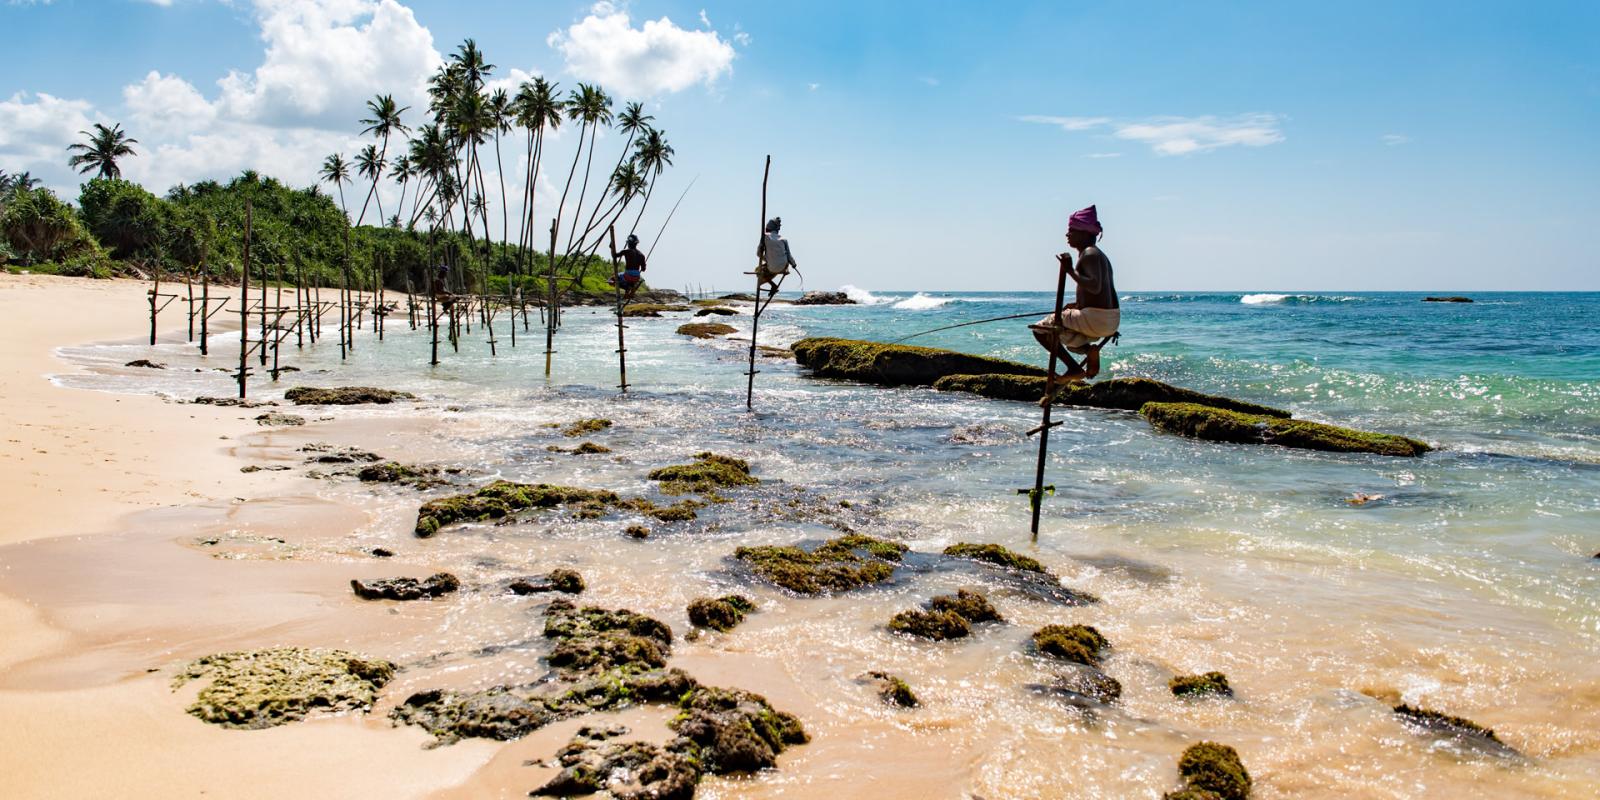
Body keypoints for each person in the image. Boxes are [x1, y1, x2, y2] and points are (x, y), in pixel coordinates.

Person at [1030, 204, 1119, 387]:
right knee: (1068, 339)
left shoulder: (1089, 253)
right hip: (1109, 320)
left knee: (1041, 330)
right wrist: (1077, 305)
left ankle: (1073, 368)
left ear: (1084, 233)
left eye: (1071, 230)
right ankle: (1089, 350)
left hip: (1094, 319)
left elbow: (1094, 286)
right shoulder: (1100, 256)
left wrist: (1069, 270)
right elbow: (1101, 293)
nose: (1067, 234)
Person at [755, 217, 798, 294]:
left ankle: (772, 285)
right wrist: (794, 264)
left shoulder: (764, 237)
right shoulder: (784, 239)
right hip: (783, 267)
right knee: (765, 276)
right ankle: (772, 285)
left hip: (771, 267)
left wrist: (768, 260)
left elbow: (758, 254)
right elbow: (789, 255)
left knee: (757, 270)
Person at [609, 233, 647, 300]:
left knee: (611, 280)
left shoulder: (626, 251)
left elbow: (614, 256)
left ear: (629, 243)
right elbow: (643, 269)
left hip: (627, 275)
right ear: (636, 244)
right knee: (629, 281)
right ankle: (629, 290)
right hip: (636, 277)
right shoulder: (641, 255)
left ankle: (628, 288)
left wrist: (611, 248)